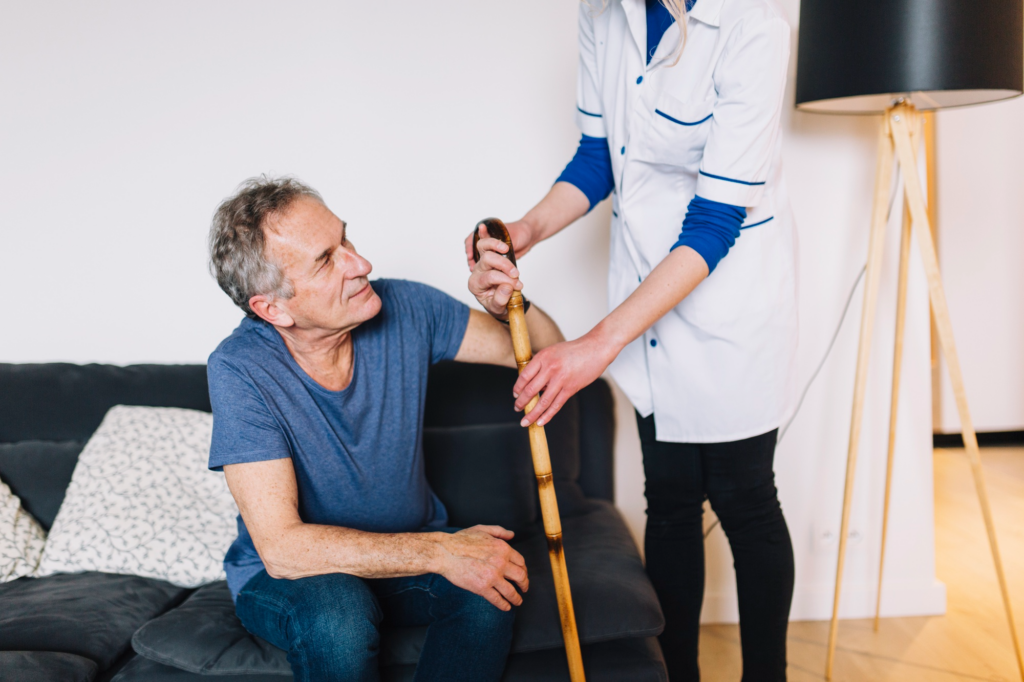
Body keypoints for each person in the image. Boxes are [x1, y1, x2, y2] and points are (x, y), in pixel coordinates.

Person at [465, 1, 797, 679]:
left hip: (727, 303)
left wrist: (595, 344)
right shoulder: (603, 13)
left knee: (745, 500)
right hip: (644, 301)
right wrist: (521, 231)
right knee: (670, 502)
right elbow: (598, 155)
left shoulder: (753, 26)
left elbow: (714, 219)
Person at [206, 176, 563, 682]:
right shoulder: (239, 368)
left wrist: (509, 307)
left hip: (409, 551)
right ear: (272, 308)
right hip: (293, 579)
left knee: (489, 583)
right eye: (327, 260)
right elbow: (284, 549)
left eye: (345, 239)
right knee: (337, 609)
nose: (361, 264)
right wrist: (442, 550)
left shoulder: (408, 308)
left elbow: (546, 355)